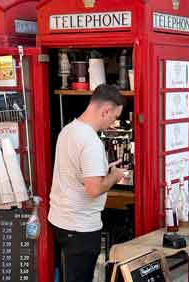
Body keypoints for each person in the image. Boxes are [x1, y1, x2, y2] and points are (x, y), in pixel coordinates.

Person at [48, 84, 127, 282]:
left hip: (61, 220)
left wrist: (102, 170)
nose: (112, 123)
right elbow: (93, 189)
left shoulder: (69, 130)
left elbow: (74, 171)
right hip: (80, 227)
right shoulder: (90, 141)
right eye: (114, 117)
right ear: (106, 110)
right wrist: (115, 176)